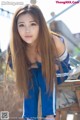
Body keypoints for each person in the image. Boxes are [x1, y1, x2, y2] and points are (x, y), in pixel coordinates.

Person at [9, 4, 72, 120]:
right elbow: (17, 68)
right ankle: (29, 116)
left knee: (45, 72)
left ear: (40, 25)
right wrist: (33, 65)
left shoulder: (53, 42)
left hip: (58, 74)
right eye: (21, 25)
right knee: (29, 76)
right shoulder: (16, 47)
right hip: (36, 74)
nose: (27, 30)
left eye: (33, 24)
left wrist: (45, 66)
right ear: (16, 28)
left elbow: (63, 65)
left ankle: (49, 115)